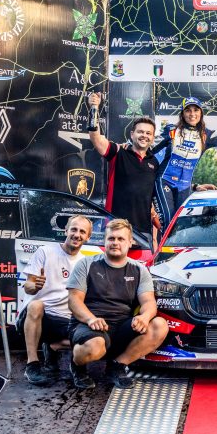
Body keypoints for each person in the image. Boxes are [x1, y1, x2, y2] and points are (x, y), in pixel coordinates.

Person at [66, 219, 167, 390]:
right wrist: (91, 319)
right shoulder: (86, 264)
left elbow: (149, 302)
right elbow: (74, 300)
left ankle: (116, 366)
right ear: (104, 241)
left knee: (159, 325)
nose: (115, 243)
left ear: (130, 242)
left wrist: (144, 317)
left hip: (122, 326)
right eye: (111, 238)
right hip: (88, 324)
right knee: (95, 346)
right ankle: (77, 366)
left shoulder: (140, 270)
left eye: (121, 239)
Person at [152, 96, 217, 230]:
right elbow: (151, 147)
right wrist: (129, 147)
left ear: (201, 113)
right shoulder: (172, 130)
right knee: (168, 221)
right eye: (188, 110)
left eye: (196, 110)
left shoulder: (206, 135)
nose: (192, 114)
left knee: (182, 225)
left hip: (184, 186)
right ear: (182, 114)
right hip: (165, 180)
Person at [18, 215, 92, 386]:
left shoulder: (85, 263)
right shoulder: (45, 252)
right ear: (66, 231)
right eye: (74, 229)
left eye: (82, 232)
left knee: (91, 340)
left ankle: (53, 347)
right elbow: (28, 286)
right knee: (36, 305)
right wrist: (35, 285)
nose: (77, 234)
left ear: (88, 237)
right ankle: (32, 365)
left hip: (65, 321)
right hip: (38, 318)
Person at [88, 92, 159, 244]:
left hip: (143, 232)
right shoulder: (118, 152)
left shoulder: (154, 162)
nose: (144, 135)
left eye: (148, 133)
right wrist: (94, 107)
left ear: (153, 138)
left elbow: (155, 195)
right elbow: (95, 138)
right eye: (140, 132)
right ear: (132, 134)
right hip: (115, 226)